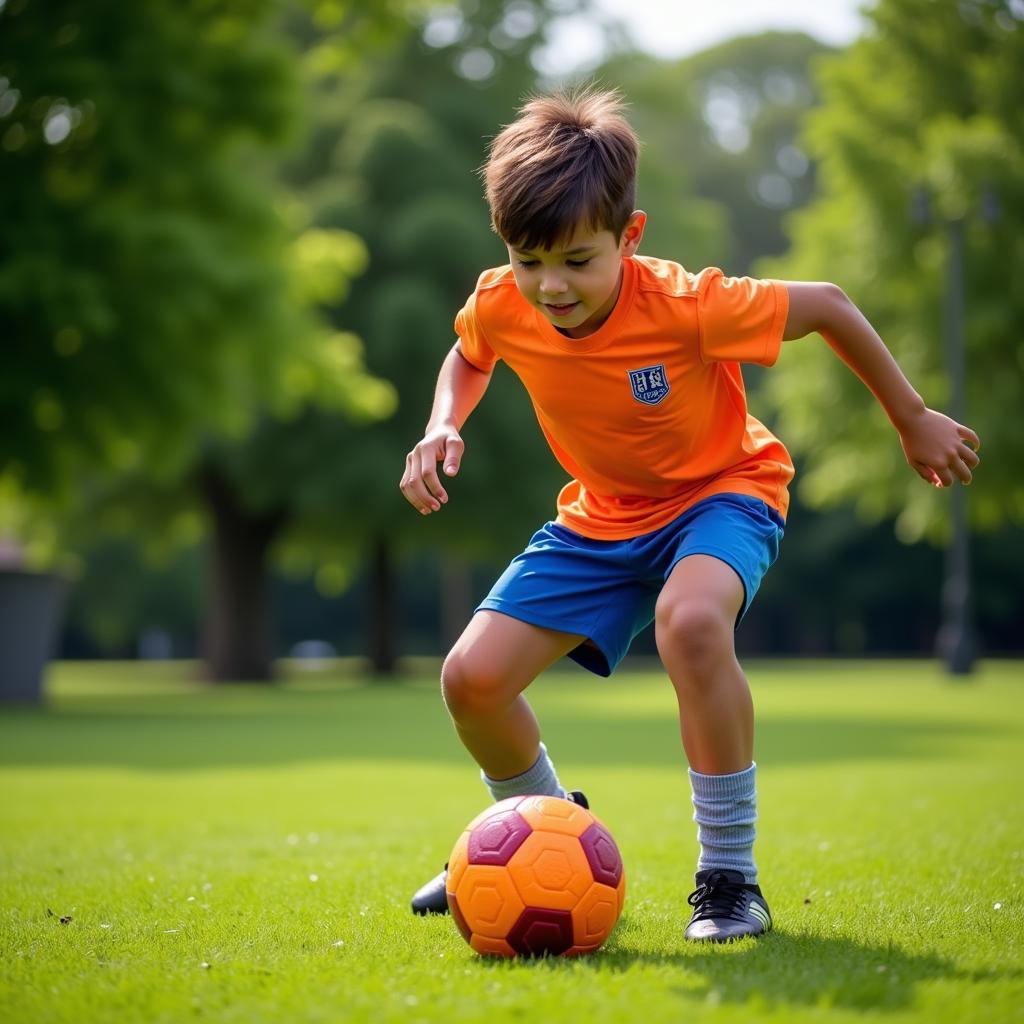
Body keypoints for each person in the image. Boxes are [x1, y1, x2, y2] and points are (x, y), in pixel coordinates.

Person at [399, 87, 980, 942]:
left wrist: (911, 417)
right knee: (470, 681)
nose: (550, 286)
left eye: (576, 260)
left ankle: (729, 879)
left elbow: (827, 304)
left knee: (693, 622)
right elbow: (469, 350)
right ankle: (537, 832)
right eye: (528, 260)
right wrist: (443, 420)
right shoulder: (504, 300)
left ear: (629, 239)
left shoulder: (685, 305)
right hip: (602, 518)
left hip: (722, 493)